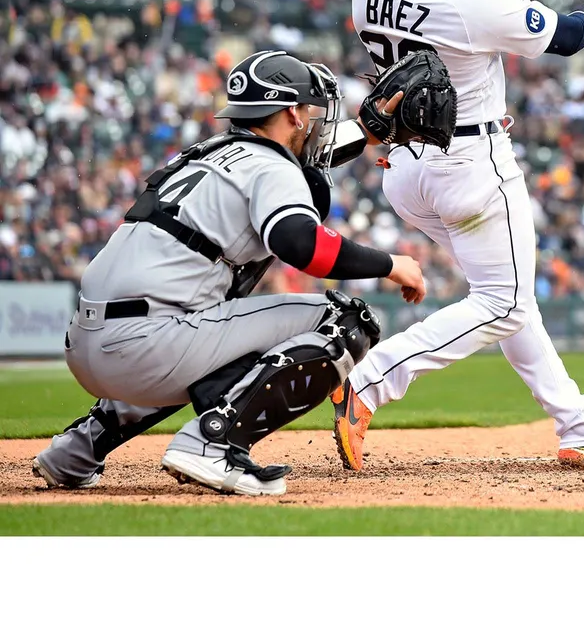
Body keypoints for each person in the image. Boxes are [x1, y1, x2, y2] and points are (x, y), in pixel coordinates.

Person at [335, 0, 584, 470]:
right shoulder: (473, 7)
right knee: (505, 301)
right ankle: (370, 383)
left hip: (406, 168)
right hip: (470, 166)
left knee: (509, 297)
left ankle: (582, 428)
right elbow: (570, 37)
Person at [32, 50, 426, 496]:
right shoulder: (272, 166)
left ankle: (75, 452)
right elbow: (301, 245)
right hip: (147, 347)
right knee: (347, 322)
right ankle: (213, 444)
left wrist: (369, 132)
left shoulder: (204, 155)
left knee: (208, 331)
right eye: (310, 111)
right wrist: (392, 264)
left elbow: (307, 156)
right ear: (292, 113)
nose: (314, 122)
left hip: (92, 343)